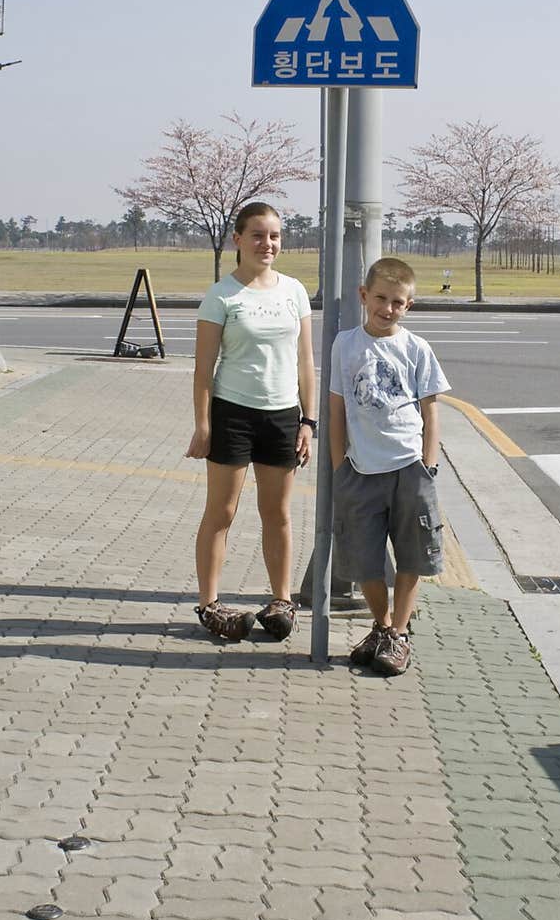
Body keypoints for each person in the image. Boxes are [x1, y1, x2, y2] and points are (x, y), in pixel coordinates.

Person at [186, 202, 317, 642]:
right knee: (221, 512)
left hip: (282, 416)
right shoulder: (222, 295)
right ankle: (209, 603)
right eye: (258, 235)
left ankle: (282, 601)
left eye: (275, 236)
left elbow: (305, 364)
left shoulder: (294, 291)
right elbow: (203, 370)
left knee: (277, 514)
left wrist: (308, 421)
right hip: (233, 414)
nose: (268, 244)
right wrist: (203, 426)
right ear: (238, 240)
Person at [328, 257, 450, 676]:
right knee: (364, 558)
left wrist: (428, 465)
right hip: (361, 470)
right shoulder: (345, 344)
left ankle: (398, 632)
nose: (387, 308)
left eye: (398, 302)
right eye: (380, 298)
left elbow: (432, 410)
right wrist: (339, 464)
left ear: (409, 306)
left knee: (413, 554)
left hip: (409, 467)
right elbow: (337, 406)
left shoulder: (416, 348)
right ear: (364, 296)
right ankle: (381, 625)